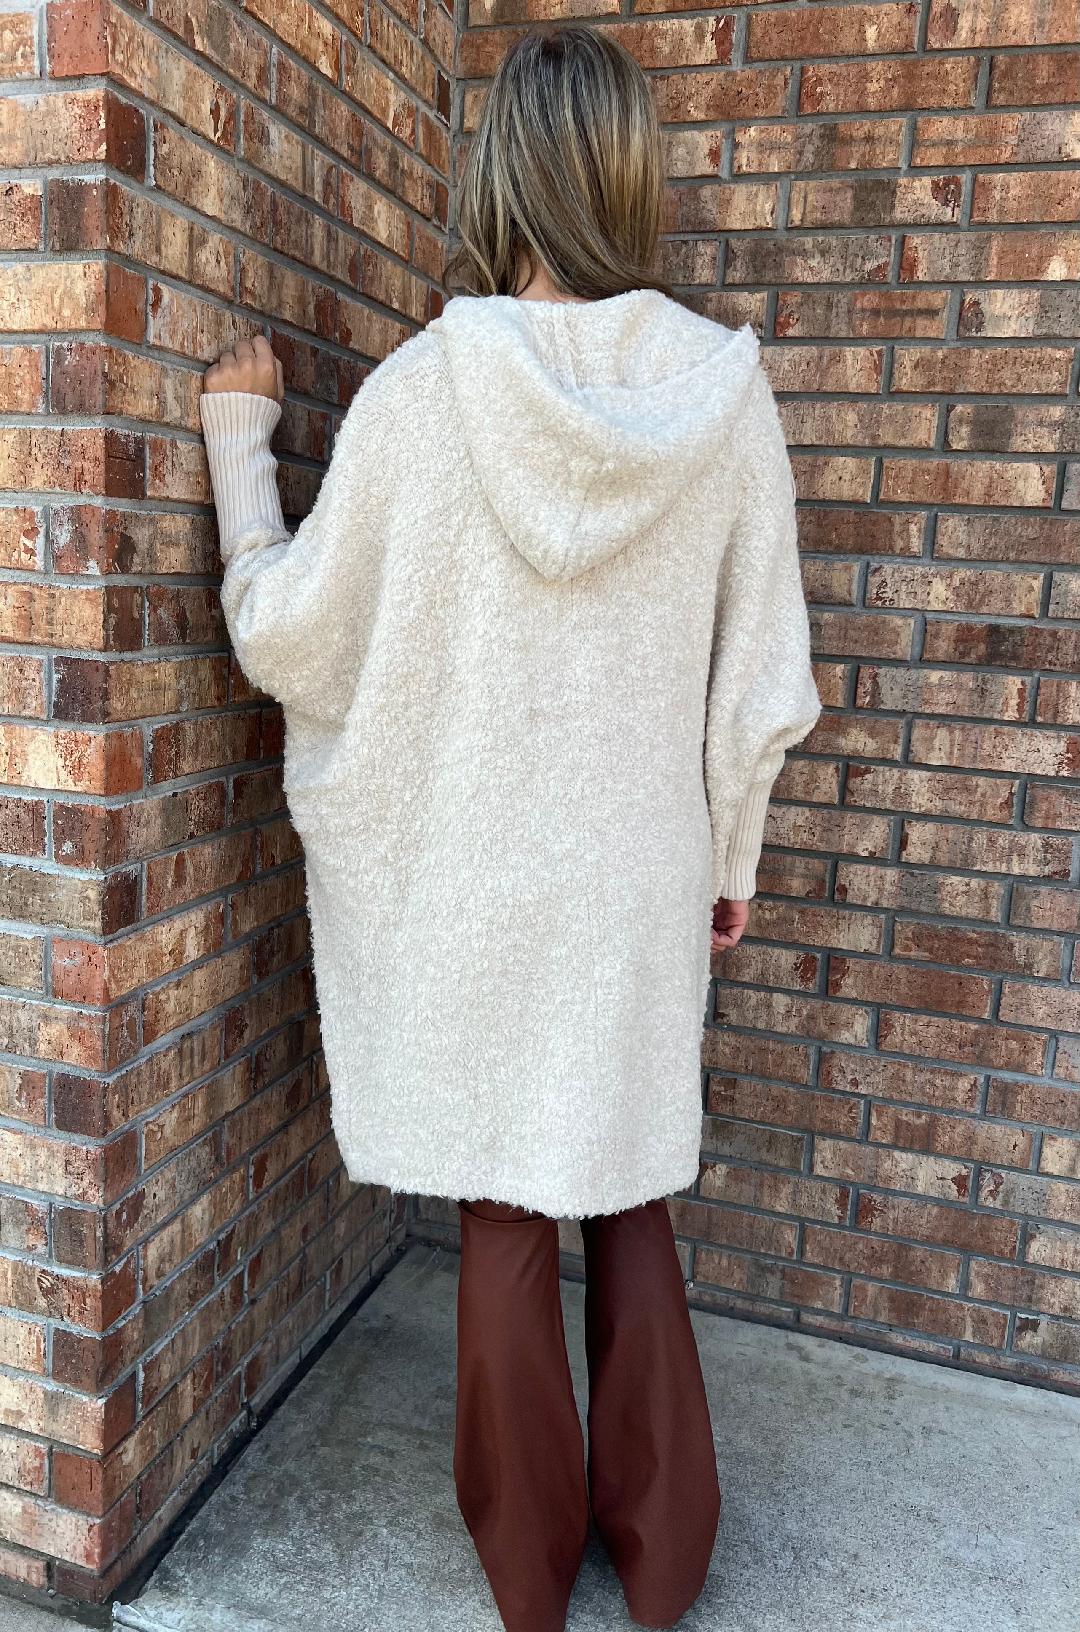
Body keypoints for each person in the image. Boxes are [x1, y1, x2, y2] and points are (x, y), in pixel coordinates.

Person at [197, 25, 820, 1632]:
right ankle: (665, 1564)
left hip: (480, 879)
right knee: (630, 1180)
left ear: (500, 176)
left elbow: (291, 638)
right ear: (629, 177)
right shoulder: (725, 401)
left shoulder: (422, 397)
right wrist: (732, 863)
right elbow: (760, 688)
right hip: (638, 872)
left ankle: (528, 1581)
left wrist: (238, 449)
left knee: (501, 1205)